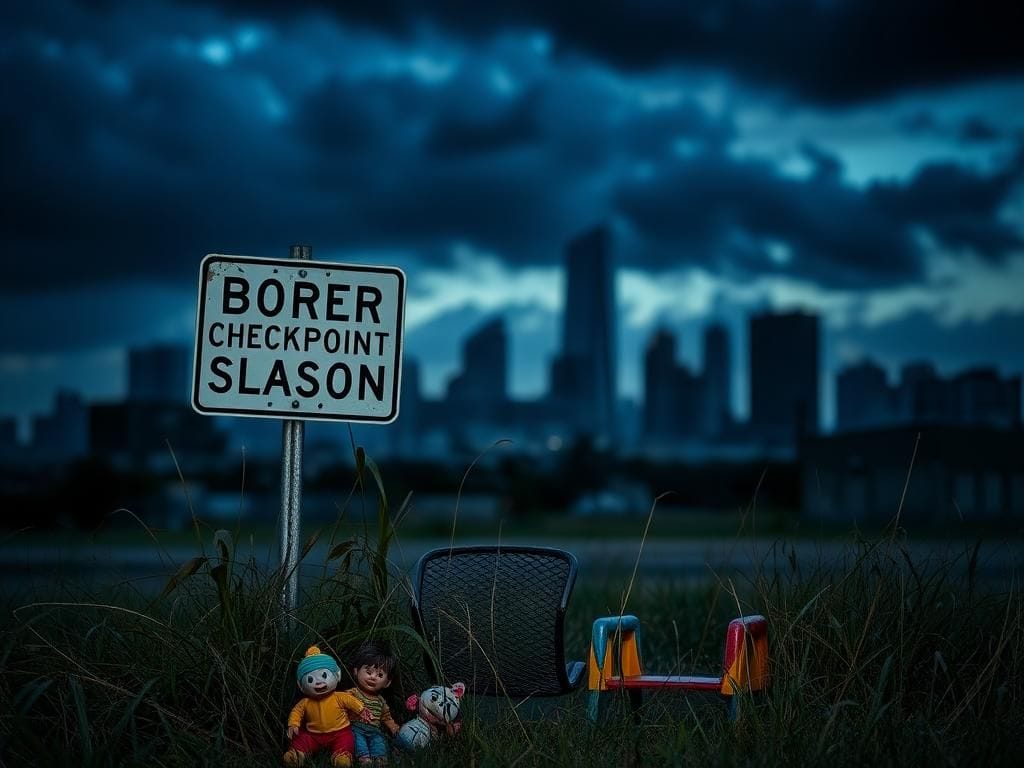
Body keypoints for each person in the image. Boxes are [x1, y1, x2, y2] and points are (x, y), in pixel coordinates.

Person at [284, 645, 371, 768]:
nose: (318, 682)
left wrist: (361, 710)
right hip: (313, 735)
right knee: (301, 739)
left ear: (337, 675)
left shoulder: (339, 696)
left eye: (324, 676)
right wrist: (293, 724)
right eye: (310, 679)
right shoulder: (305, 702)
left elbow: (352, 701)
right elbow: (296, 712)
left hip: (340, 733)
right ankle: (296, 755)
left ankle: (342, 757)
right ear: (300, 685)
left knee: (346, 741)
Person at [346, 641, 400, 765]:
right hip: (356, 728)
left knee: (379, 743)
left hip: (375, 731)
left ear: (387, 683)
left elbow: (386, 716)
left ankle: (380, 760)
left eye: (380, 675)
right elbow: (342, 704)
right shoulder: (352, 693)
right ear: (356, 671)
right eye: (369, 672)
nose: (373, 677)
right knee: (358, 742)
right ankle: (364, 759)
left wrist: (392, 726)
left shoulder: (381, 701)